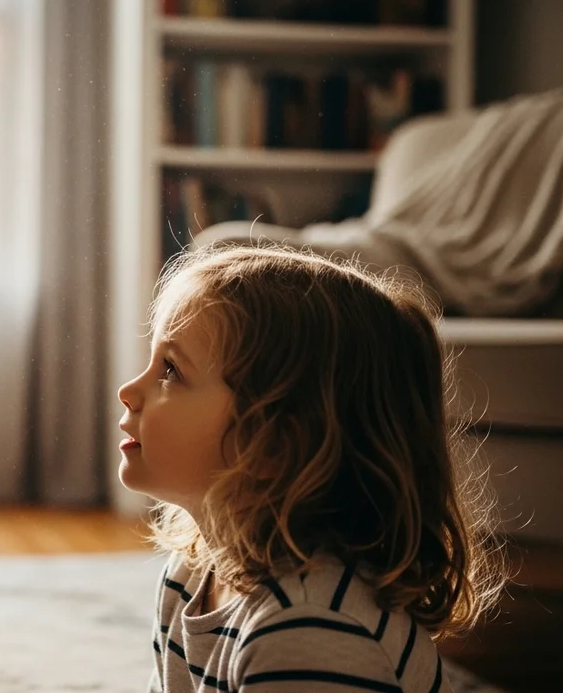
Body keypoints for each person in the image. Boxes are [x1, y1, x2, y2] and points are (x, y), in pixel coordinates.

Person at [117, 244, 507, 693]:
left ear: (273, 447)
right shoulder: (190, 572)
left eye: (170, 370)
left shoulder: (306, 628)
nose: (129, 389)